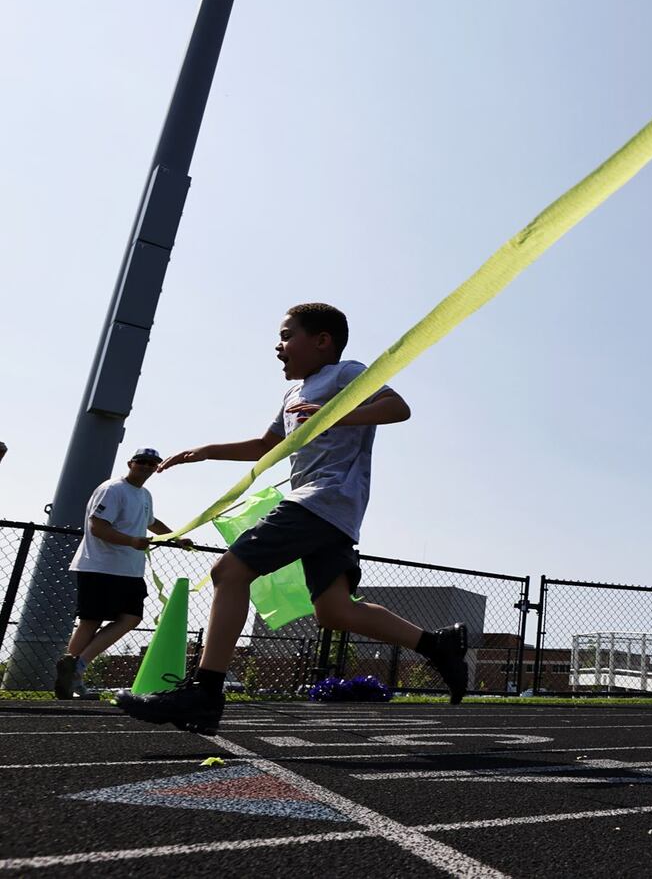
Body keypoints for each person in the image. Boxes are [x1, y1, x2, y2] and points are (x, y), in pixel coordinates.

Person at [115, 303, 469, 734]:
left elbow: (398, 407)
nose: (278, 346)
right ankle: (438, 646)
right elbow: (268, 443)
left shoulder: (345, 374)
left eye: (287, 336)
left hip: (323, 499)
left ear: (322, 340)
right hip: (330, 513)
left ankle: (205, 692)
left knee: (229, 571)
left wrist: (335, 416)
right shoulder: (292, 394)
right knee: (335, 612)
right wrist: (207, 451)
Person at [55, 448, 190, 700]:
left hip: (128, 569)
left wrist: (176, 537)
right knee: (90, 620)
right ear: (131, 463)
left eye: (152, 463)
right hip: (99, 565)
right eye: (142, 462)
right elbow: (98, 527)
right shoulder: (112, 489)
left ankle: (75, 668)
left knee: (130, 617)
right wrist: (131, 541)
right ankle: (73, 674)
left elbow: (151, 521)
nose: (147, 466)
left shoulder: (145, 494)